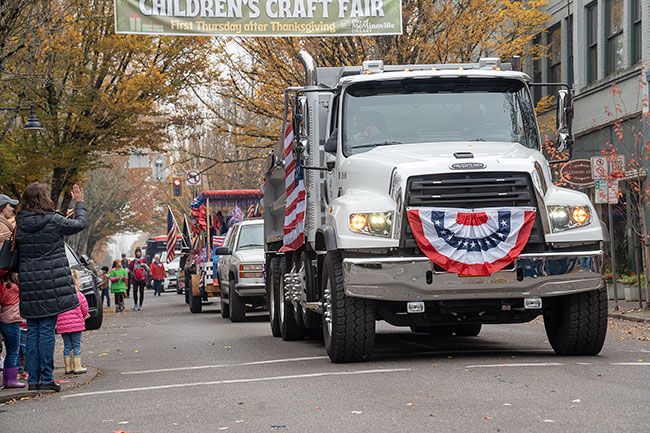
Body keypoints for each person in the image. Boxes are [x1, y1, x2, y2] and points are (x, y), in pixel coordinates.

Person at [15, 182, 87, 392]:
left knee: (32, 331)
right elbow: (80, 223)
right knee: (46, 330)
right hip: (52, 282)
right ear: (44, 198)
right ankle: (46, 377)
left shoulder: (20, 223)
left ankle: (33, 379)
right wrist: (80, 203)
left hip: (29, 282)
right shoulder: (54, 220)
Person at [55, 270, 89, 375]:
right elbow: (84, 307)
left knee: (67, 345)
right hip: (76, 325)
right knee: (76, 345)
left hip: (63, 326)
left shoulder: (59, 296)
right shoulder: (78, 295)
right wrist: (84, 315)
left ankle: (68, 368)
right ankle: (77, 367)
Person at [0, 272, 25, 388]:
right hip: (13, 320)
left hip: (3, 319)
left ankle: (7, 379)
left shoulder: (2, 285)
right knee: (13, 351)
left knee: (9, 351)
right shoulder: (14, 287)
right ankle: (10, 380)